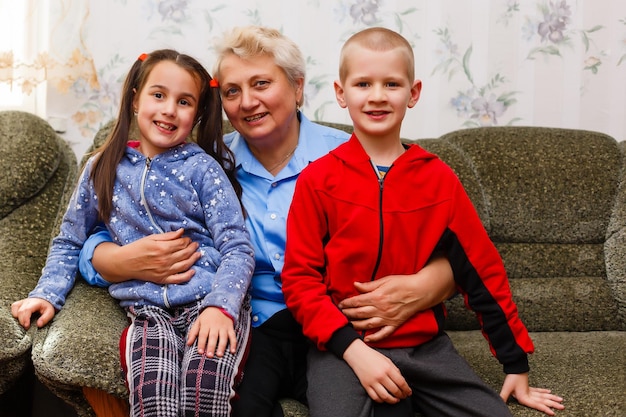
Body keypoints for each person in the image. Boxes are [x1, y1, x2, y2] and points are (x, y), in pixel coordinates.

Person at [76, 26, 457, 417]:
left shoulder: (350, 157)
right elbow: (100, 230)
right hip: (254, 329)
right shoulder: (204, 166)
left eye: (261, 84)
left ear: (297, 88)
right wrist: (112, 260)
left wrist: (430, 284)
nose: (247, 102)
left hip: (338, 326)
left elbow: (443, 247)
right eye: (232, 91)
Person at [281, 27, 566, 417]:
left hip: (425, 348)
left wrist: (515, 365)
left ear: (413, 93)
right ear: (341, 92)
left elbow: (483, 271)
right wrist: (352, 349)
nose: (378, 95)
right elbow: (300, 282)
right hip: (344, 351)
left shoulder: (439, 180)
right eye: (363, 83)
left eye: (391, 83)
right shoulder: (318, 180)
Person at [11, 49, 255, 417]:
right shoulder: (102, 167)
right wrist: (47, 294)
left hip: (210, 305)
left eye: (184, 101)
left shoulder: (203, 170)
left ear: (198, 114)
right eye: (159, 95)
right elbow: (69, 241)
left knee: (204, 392)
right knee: (154, 399)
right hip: (148, 313)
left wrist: (222, 308)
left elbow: (237, 247)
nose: (170, 109)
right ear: (135, 98)